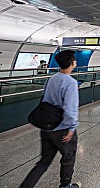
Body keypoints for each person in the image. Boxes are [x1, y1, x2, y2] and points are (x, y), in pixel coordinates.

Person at [20, 50, 81, 188]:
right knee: (68, 157)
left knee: (44, 162)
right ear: (72, 63)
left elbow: (46, 100)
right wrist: (71, 128)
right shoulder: (71, 83)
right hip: (62, 129)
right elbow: (70, 109)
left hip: (47, 127)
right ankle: (66, 185)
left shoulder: (51, 79)